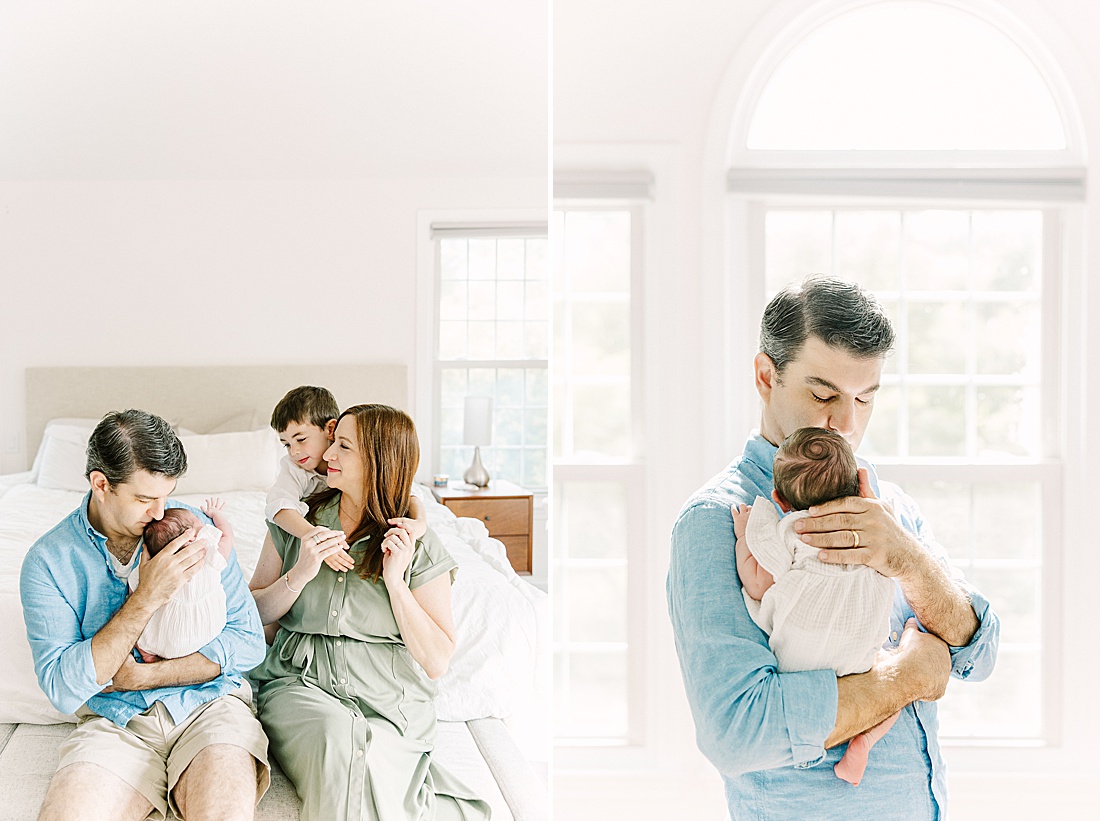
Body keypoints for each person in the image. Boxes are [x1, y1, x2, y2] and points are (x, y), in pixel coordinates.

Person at [667, 276, 1000, 819]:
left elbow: (979, 654)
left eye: (864, 398)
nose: (845, 425)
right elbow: (737, 732)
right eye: (823, 395)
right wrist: (907, 676)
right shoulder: (717, 521)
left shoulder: (891, 506)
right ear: (765, 376)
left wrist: (906, 559)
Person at [20, 409, 270, 821]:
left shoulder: (190, 528)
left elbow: (247, 642)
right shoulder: (49, 562)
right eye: (143, 498)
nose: (159, 513)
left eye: (165, 495)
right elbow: (64, 689)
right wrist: (146, 597)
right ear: (101, 484)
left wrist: (149, 676)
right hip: (116, 723)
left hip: (210, 707)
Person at [249, 404, 490, 821]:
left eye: (343, 446)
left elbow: (435, 661)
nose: (327, 456)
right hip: (301, 685)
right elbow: (253, 621)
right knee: (337, 738)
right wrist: (300, 575)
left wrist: (396, 583)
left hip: (390, 700)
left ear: (379, 459)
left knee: (368, 752)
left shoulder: (418, 542)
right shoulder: (296, 522)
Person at [732, 426, 897, 787]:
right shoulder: (877, 528)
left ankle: (812, 749)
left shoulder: (791, 530)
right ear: (858, 484)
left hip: (800, 659)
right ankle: (864, 742)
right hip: (859, 655)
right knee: (897, 680)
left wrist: (746, 536)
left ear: (781, 499)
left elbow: (759, 583)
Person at [266, 385, 428, 574]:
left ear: (330, 429)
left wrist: (420, 521)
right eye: (286, 444)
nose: (294, 451)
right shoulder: (294, 468)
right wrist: (316, 538)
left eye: (301, 439)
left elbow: (404, 489)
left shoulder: (354, 449)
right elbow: (279, 505)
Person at [132, 498, 235, 664]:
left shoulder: (152, 569)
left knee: (137, 623)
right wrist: (217, 515)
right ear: (191, 538)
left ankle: (148, 655)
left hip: (162, 642)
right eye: (200, 525)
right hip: (209, 629)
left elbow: (135, 594)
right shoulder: (209, 555)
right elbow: (227, 536)